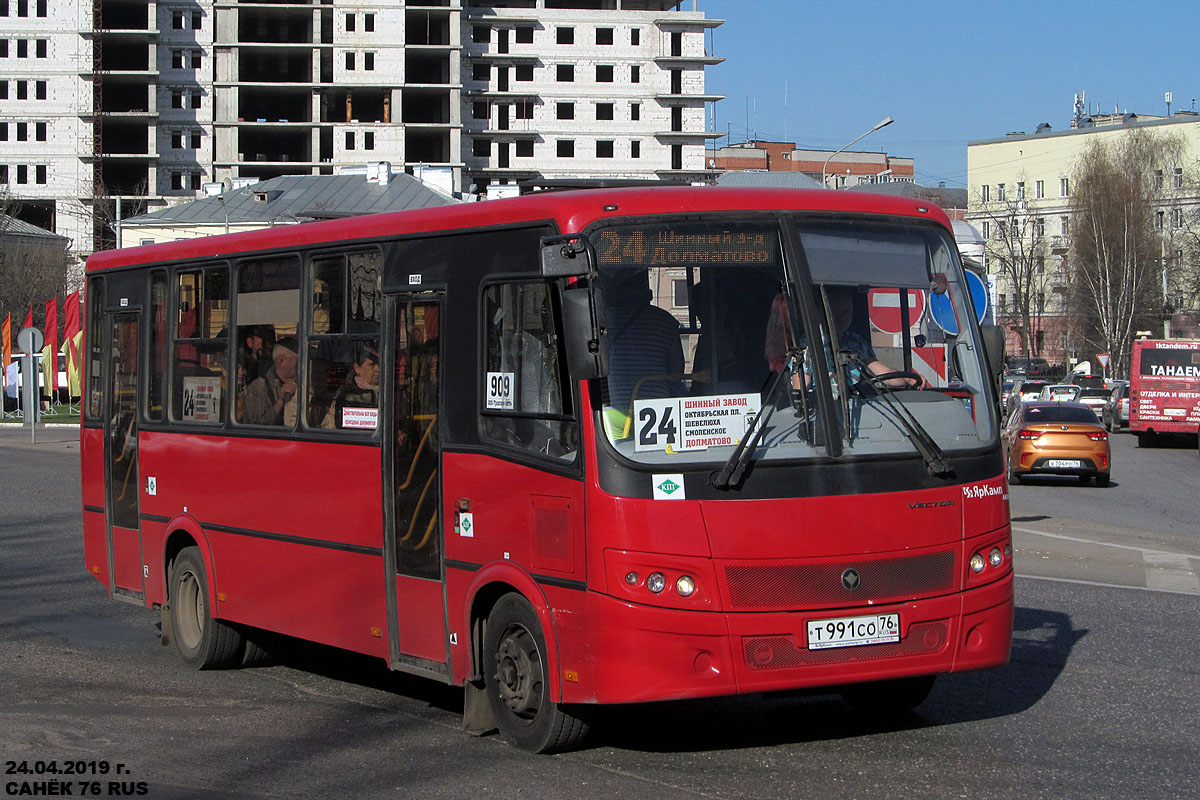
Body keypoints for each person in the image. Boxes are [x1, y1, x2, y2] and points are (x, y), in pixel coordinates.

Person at [602, 268, 684, 413]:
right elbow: (676, 372)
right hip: (656, 407)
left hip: (614, 409)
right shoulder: (666, 321)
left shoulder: (606, 319)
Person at [241, 336, 299, 425]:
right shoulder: (258, 388)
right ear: (282, 360)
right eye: (298, 360)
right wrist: (281, 401)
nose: (302, 365)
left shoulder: (303, 384)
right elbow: (256, 426)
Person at [322, 344, 380, 429]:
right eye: (372, 365)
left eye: (380, 364)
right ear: (357, 368)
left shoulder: (389, 391)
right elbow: (329, 427)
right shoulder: (345, 395)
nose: (378, 369)